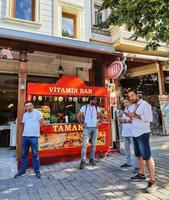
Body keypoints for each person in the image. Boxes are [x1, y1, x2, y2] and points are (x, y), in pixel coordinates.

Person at [127, 90, 156, 193]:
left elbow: (149, 119)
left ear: (138, 95)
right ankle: (142, 174)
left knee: (147, 157)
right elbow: (133, 119)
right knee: (139, 155)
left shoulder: (145, 105)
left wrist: (135, 115)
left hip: (143, 133)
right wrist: (129, 118)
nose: (131, 98)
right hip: (135, 133)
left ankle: (152, 181)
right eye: (130, 96)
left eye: (133, 95)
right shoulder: (132, 106)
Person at [14, 101, 45, 178]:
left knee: (35, 155)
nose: (29, 107)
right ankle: (22, 170)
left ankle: (37, 172)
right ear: (25, 107)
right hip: (25, 137)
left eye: (30, 105)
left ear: (33, 106)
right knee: (24, 155)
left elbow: (42, 123)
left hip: (34, 137)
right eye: (27, 106)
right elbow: (24, 125)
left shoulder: (38, 113)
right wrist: (22, 135)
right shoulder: (25, 115)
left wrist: (35, 130)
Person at [77, 96, 103, 169]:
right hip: (87, 128)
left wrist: (100, 122)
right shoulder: (84, 107)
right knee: (84, 145)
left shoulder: (96, 108)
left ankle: (92, 159)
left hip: (95, 128)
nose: (95, 101)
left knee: (94, 145)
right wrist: (82, 123)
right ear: (90, 100)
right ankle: (83, 161)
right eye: (94, 100)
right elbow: (78, 115)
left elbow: (102, 115)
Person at [119, 98, 133, 168]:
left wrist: (126, 121)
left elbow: (134, 120)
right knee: (127, 149)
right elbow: (125, 120)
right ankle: (129, 162)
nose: (125, 104)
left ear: (130, 102)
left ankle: (138, 166)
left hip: (132, 132)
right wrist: (121, 120)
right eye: (124, 103)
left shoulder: (132, 109)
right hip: (125, 132)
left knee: (135, 149)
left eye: (126, 102)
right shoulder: (125, 110)